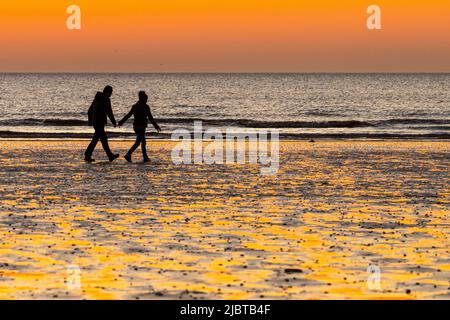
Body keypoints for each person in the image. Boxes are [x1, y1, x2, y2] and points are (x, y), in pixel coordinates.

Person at [118, 91, 161, 163]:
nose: (147, 100)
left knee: (143, 141)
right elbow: (150, 118)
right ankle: (128, 154)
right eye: (146, 99)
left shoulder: (134, 106)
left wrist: (121, 122)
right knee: (138, 142)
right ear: (143, 99)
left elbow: (128, 115)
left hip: (135, 127)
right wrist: (156, 126)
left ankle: (145, 157)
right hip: (141, 127)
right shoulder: (146, 107)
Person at [84, 85, 120, 163]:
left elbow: (89, 110)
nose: (111, 94)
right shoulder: (106, 99)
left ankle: (109, 156)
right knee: (100, 139)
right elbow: (109, 112)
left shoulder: (96, 98)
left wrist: (91, 121)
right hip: (100, 122)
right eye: (111, 93)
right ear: (108, 92)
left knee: (100, 139)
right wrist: (113, 122)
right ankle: (88, 155)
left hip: (95, 122)